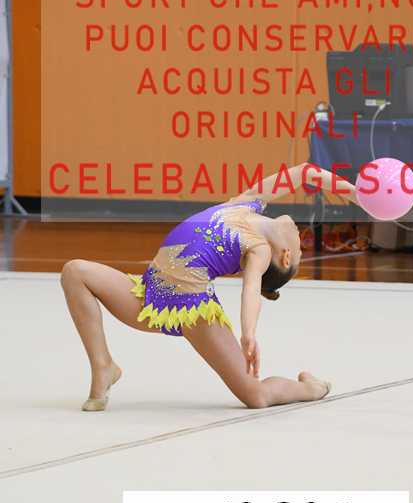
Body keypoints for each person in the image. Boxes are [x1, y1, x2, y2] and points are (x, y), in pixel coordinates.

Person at [60, 163, 358, 411]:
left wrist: (249, 333)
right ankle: (103, 366)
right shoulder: (247, 202)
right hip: (148, 297)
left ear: (285, 257)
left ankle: (311, 389)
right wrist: (358, 194)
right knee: (74, 272)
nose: (301, 236)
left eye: (300, 251)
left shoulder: (260, 249)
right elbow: (305, 172)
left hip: (194, 311)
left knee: (256, 395)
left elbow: (251, 289)